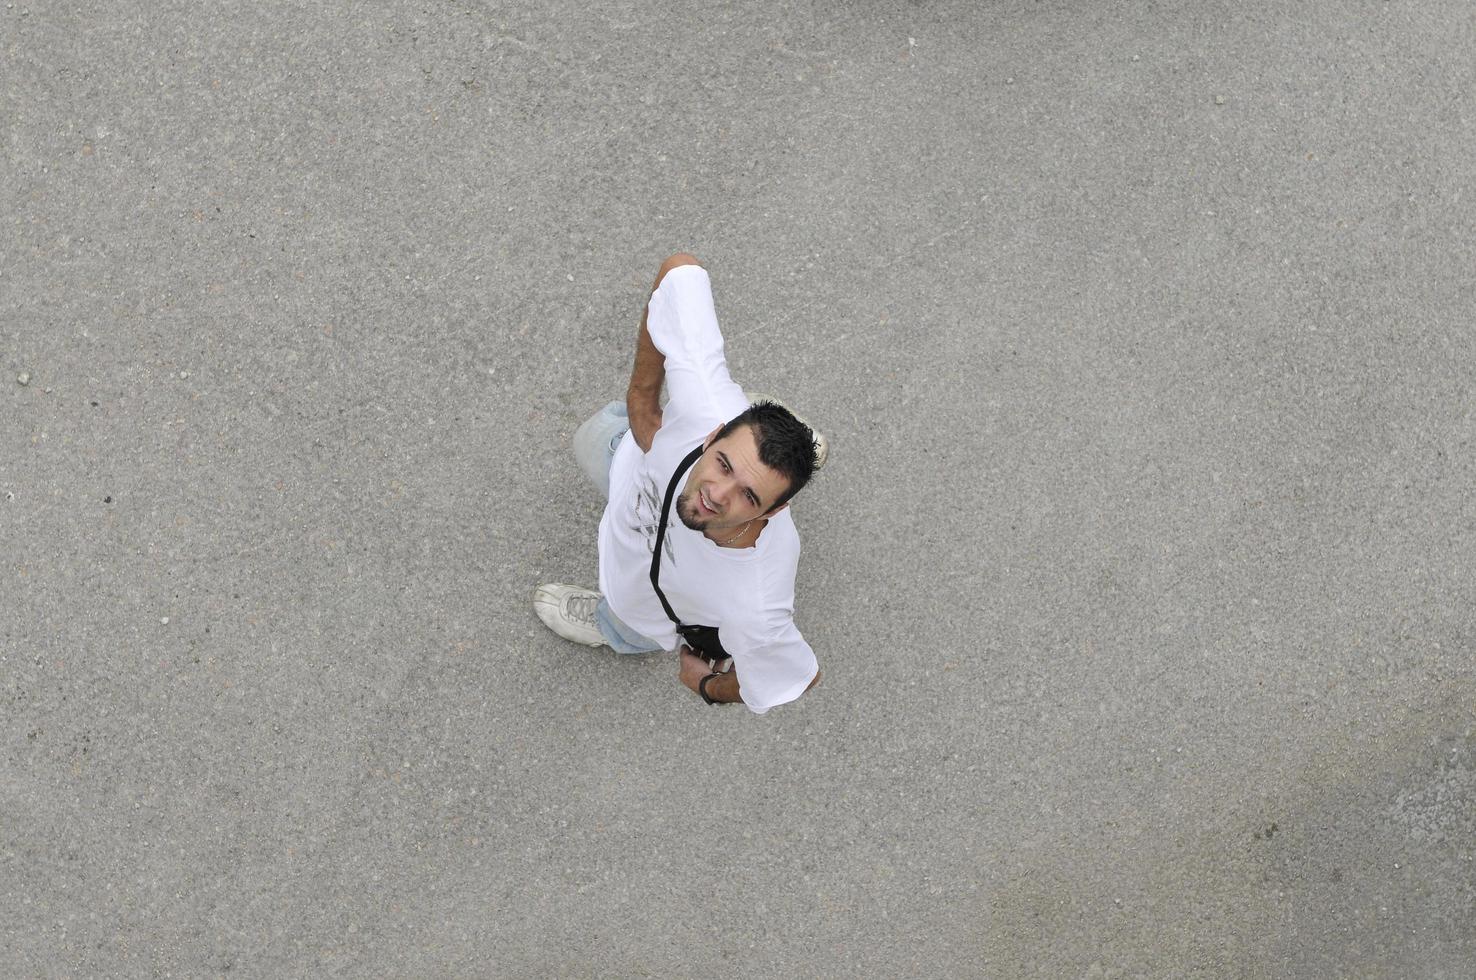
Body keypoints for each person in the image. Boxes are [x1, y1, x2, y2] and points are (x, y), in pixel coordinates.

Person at [534, 253, 827, 713]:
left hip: (648, 609)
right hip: (633, 467)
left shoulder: (756, 600)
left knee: (627, 625)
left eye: (749, 495)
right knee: (589, 438)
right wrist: (642, 399)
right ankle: (782, 437)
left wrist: (708, 686)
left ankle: (606, 624)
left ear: (771, 513)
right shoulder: (704, 408)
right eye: (725, 464)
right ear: (712, 435)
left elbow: (793, 677)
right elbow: (679, 272)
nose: (716, 494)